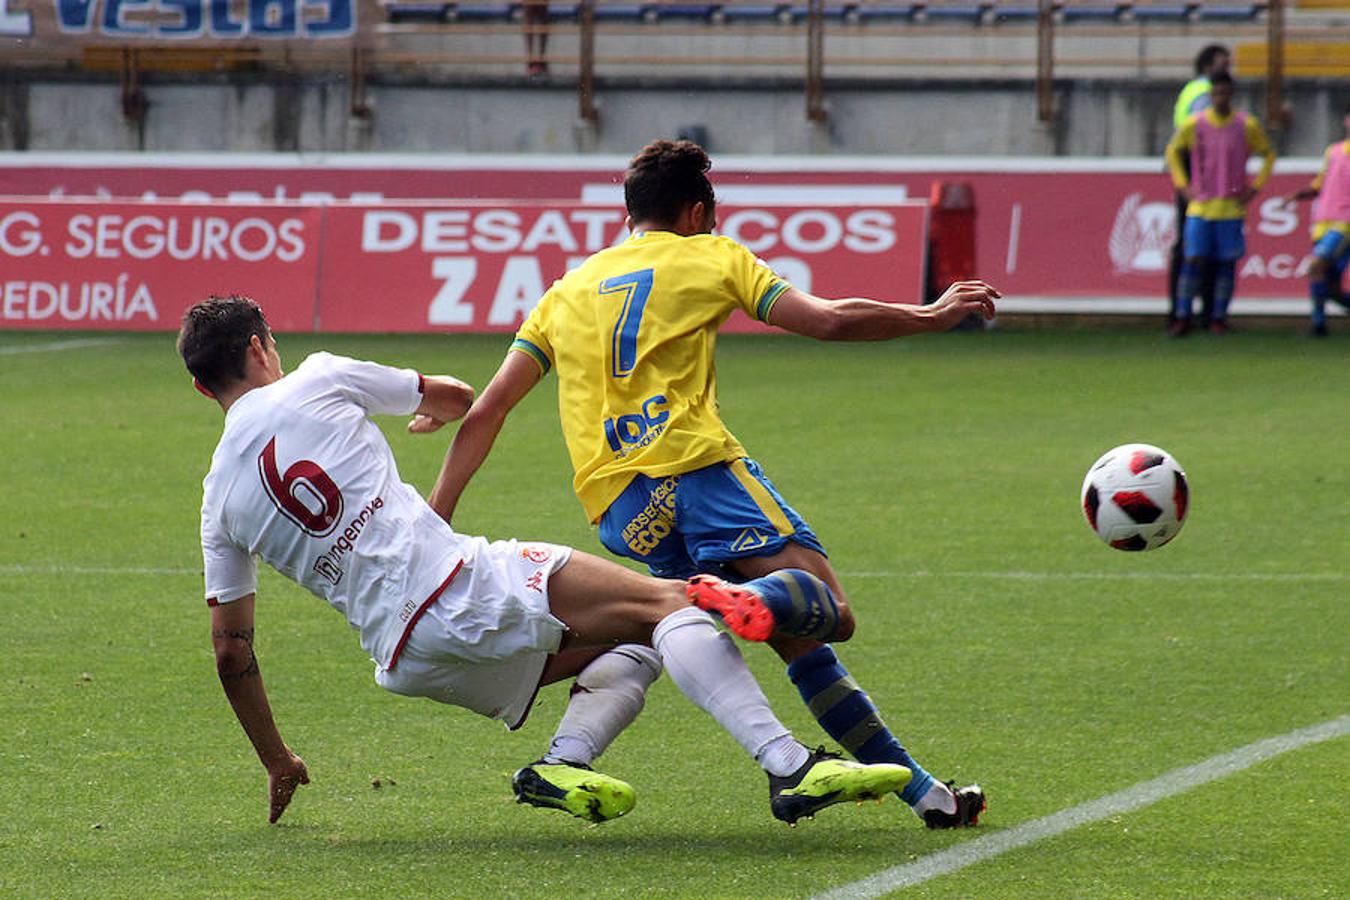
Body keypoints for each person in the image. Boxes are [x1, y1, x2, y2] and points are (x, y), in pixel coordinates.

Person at [426, 139, 999, 829]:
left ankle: (927, 796)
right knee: (829, 612)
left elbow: (488, 411)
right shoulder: (712, 255)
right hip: (698, 471)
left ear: (630, 212)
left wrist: (433, 520)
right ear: (697, 211)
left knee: (795, 637)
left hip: (621, 508)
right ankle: (735, 596)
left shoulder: (565, 292)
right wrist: (931, 314)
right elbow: (826, 320)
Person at [179, 295, 913, 828]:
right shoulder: (318, 376)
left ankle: (561, 761)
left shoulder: (218, 500)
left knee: (639, 640)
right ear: (257, 348)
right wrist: (437, 409)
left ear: (200, 385)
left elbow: (228, 650)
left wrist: (278, 761)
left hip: (408, 659)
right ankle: (791, 768)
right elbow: (458, 395)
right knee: (672, 605)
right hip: (463, 585)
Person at [1164, 72, 1276, 336]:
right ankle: (1182, 316)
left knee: (1226, 263)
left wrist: (1254, 188)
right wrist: (1183, 186)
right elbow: (1172, 151)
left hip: (1230, 207)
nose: (1220, 99)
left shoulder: (1245, 125)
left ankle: (1218, 317)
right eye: (1216, 94)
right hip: (1200, 206)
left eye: (1225, 94)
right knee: (1193, 260)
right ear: (1210, 95)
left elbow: (1268, 154)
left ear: (1232, 94)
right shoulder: (1195, 124)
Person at [1167, 44, 1231, 328]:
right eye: (1223, 65)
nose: (1228, 70)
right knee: (1198, 246)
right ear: (1207, 66)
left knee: (1192, 245)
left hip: (1195, 166)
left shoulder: (1190, 90)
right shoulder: (1205, 93)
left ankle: (1183, 312)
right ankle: (1202, 312)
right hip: (1199, 169)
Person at [1283, 104, 1350, 337]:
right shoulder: (1334, 151)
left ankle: (1318, 324)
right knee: (1330, 288)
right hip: (1324, 221)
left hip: (1345, 223)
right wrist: (1299, 194)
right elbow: (1322, 182)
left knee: (1315, 266)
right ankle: (1319, 322)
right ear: (1346, 120)